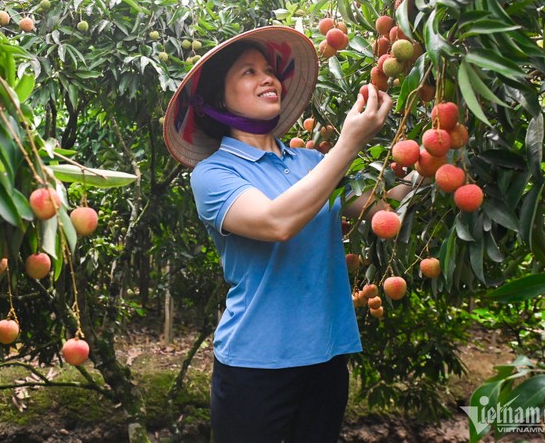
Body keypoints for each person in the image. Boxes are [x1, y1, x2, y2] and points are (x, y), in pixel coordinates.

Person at [162, 26, 416, 442]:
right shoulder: (213, 173)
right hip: (254, 364)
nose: (268, 79)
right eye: (248, 72)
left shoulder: (310, 160)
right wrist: (348, 144)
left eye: (269, 70)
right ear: (219, 99)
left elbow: (380, 208)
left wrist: (433, 157)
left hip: (326, 355)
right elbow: (276, 223)